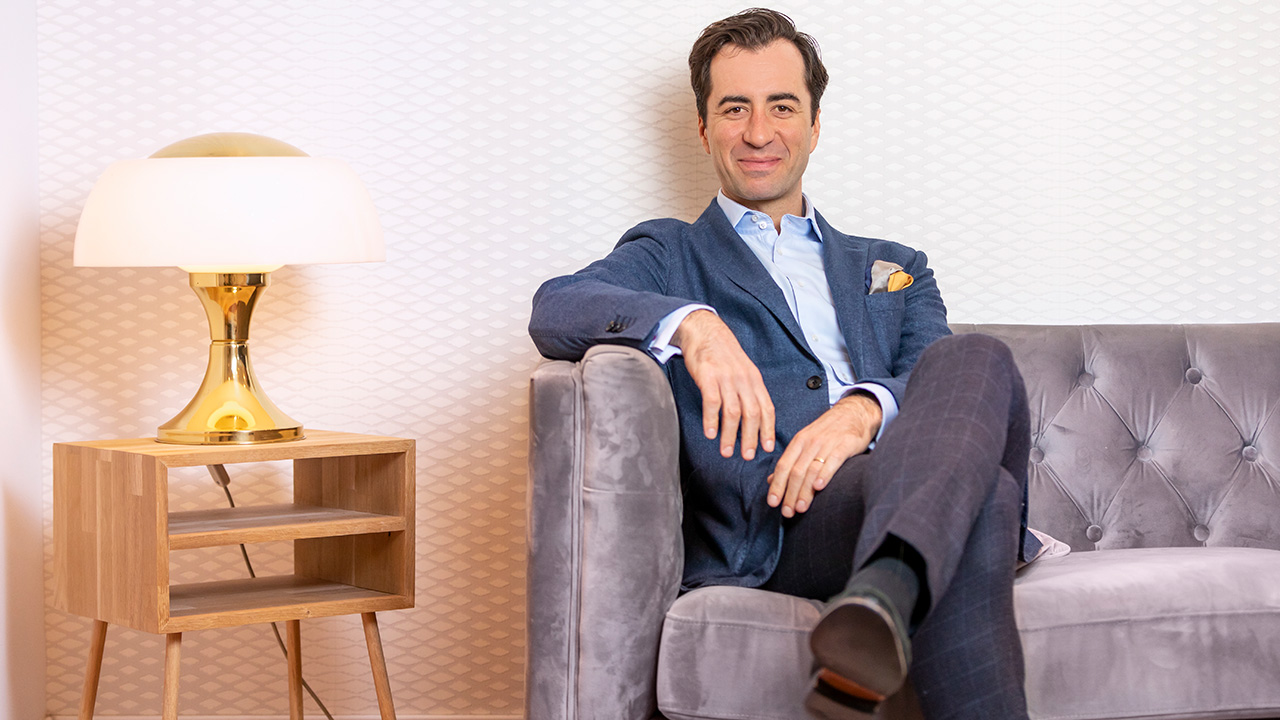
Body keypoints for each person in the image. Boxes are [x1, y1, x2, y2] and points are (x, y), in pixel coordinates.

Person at [529, 8, 1038, 720]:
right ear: (704, 128)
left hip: (902, 471)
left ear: (815, 124)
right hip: (788, 521)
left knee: (974, 356)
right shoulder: (670, 254)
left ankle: (881, 600)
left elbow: (932, 377)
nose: (759, 132)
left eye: (782, 107)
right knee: (988, 499)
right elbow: (555, 305)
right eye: (735, 108)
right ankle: (886, 594)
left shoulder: (896, 265)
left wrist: (857, 414)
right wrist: (695, 325)